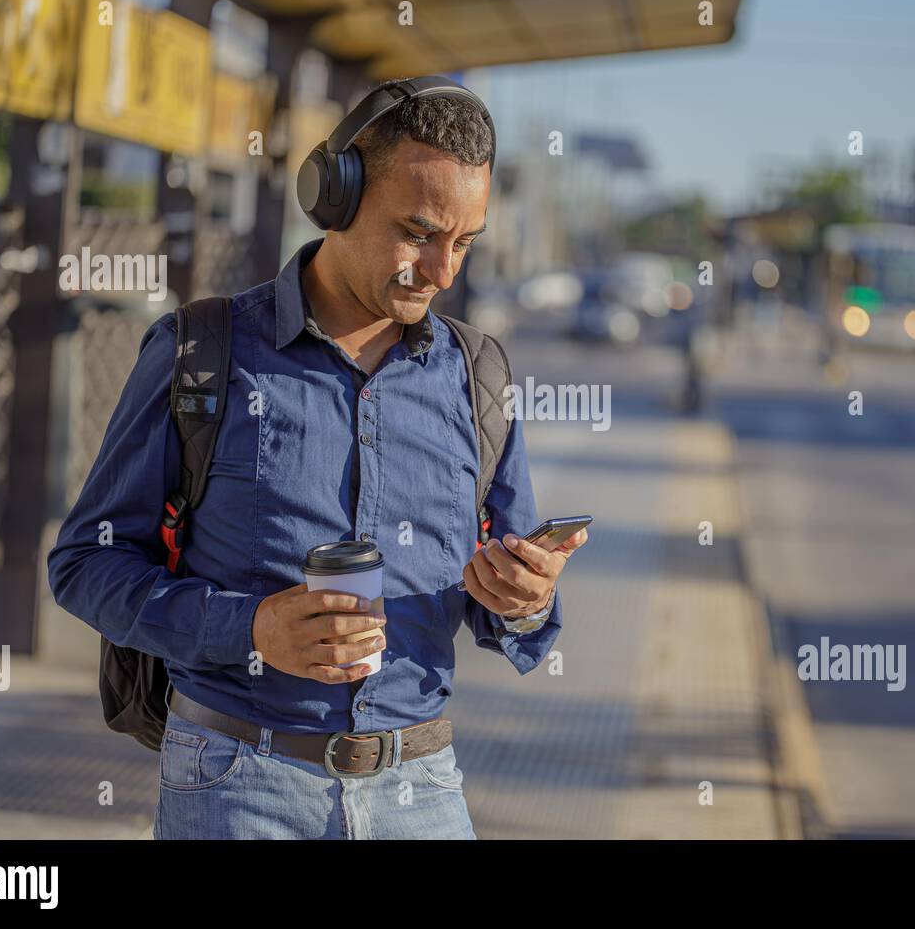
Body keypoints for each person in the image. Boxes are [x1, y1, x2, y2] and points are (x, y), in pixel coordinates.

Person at [47, 77, 587, 839]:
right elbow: (83, 566)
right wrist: (251, 630)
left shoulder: (480, 377)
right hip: (236, 785)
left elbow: (517, 618)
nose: (441, 272)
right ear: (335, 196)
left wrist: (524, 599)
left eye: (463, 243)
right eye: (418, 232)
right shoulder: (202, 352)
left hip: (422, 788)